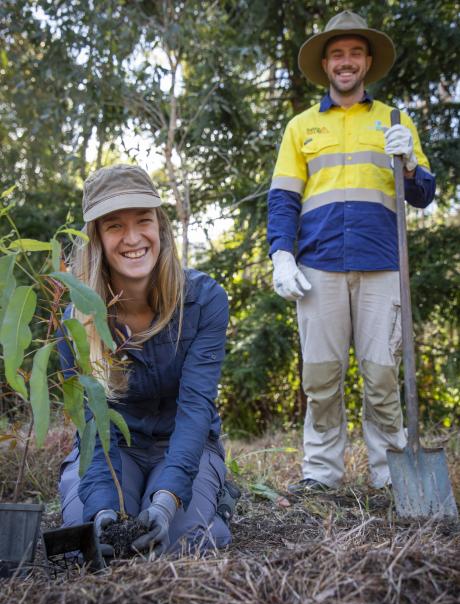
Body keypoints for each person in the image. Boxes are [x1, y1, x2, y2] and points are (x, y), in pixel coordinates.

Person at [267, 11, 435, 493]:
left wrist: (406, 164)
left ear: (367, 62)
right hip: (317, 267)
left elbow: (424, 194)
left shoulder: (395, 121)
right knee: (320, 381)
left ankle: (391, 477)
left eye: (355, 53)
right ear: (325, 64)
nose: (346, 61)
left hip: (382, 266)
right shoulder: (301, 128)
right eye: (337, 53)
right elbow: (283, 198)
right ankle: (321, 476)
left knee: (383, 378)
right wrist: (281, 253)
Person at [58, 163, 238, 557]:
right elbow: (94, 424)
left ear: (160, 227)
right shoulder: (76, 318)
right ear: (97, 239)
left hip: (182, 443)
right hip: (115, 448)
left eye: (143, 220)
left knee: (178, 544)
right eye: (114, 226)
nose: (133, 238)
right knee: (88, 545)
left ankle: (210, 491)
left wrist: (165, 500)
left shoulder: (204, 300)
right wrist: (104, 507)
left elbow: (195, 409)